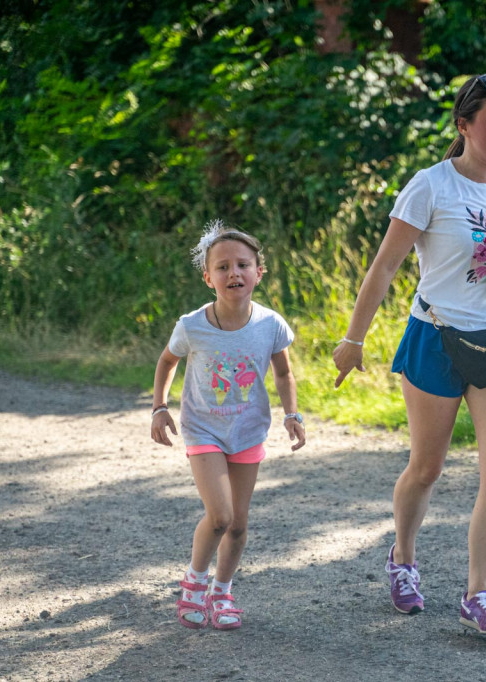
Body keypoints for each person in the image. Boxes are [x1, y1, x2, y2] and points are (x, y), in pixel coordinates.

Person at [333, 73, 486, 636]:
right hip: (437, 336)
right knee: (427, 468)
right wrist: (353, 339)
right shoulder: (431, 186)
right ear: (465, 125)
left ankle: (479, 593)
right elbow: (385, 266)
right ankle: (403, 559)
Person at [151, 220, 306, 631]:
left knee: (238, 523)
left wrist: (292, 414)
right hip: (204, 430)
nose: (233, 273)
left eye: (243, 264)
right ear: (208, 278)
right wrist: (159, 407)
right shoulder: (192, 325)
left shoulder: (271, 324)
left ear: (259, 271)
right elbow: (168, 361)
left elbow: (284, 374)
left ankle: (223, 591)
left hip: (248, 431)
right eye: (222, 267)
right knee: (218, 515)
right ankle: (194, 584)